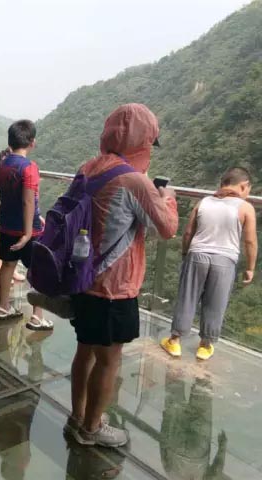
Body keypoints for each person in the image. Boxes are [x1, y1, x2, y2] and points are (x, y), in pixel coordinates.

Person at [65, 103, 178, 448]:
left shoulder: (88, 168)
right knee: (109, 361)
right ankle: (91, 428)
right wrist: (168, 198)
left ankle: (77, 417)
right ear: (142, 142)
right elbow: (167, 228)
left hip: (82, 278)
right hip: (114, 289)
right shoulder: (135, 181)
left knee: (85, 352)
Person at [161, 167, 257, 360]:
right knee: (216, 303)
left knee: (187, 297)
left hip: (197, 255)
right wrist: (250, 268)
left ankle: (174, 341)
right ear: (243, 186)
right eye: (248, 189)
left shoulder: (203, 202)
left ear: (222, 184)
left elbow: (188, 232)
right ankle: (205, 346)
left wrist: (185, 253)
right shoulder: (246, 208)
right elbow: (250, 241)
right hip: (225, 260)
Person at [0, 120, 51, 331]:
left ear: (10, 141)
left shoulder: (3, 166)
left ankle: (3, 307)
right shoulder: (29, 167)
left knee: (7, 266)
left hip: (6, 225)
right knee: (37, 270)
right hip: (29, 230)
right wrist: (27, 234)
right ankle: (37, 316)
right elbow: (28, 201)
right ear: (32, 142)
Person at [0, 148, 27, 284]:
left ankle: (12, 271)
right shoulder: (1, 172)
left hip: (14, 210)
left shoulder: (16, 172)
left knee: (13, 240)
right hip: (1, 209)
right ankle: (1, 271)